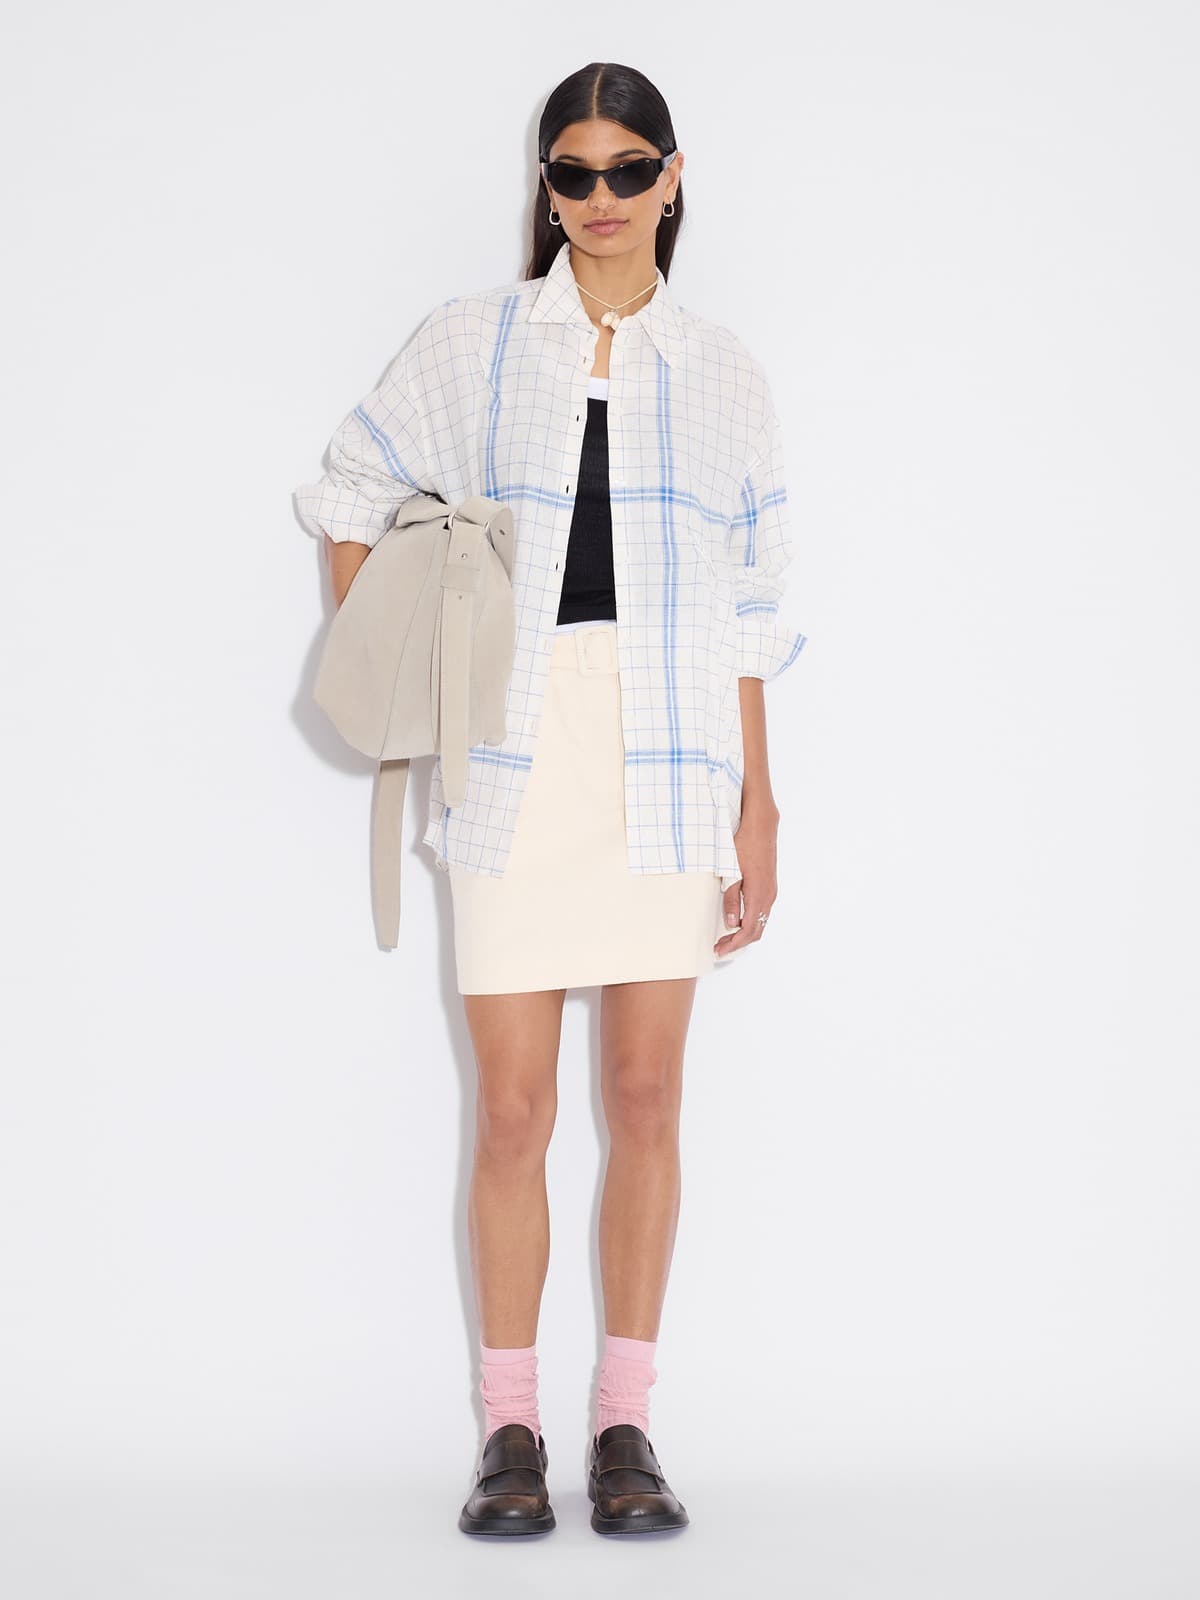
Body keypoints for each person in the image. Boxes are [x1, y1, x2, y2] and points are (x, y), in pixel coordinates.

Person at [292, 60, 806, 1537]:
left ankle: (625, 1422)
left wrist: (760, 805)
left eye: (627, 170)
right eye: (572, 173)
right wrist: (400, 653)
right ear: (547, 186)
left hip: (670, 753)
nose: (600, 198)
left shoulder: (726, 375)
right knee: (512, 1110)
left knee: (645, 1099)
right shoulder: (474, 342)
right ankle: (508, 1430)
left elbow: (751, 611)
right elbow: (348, 489)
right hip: (511, 755)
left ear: (673, 177)